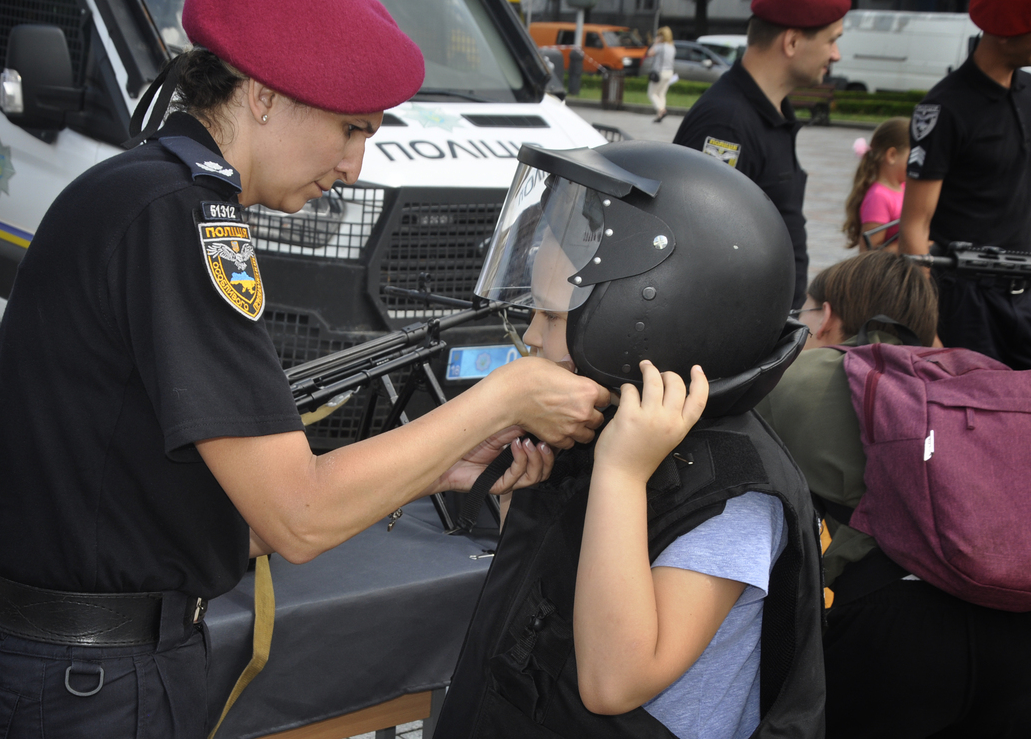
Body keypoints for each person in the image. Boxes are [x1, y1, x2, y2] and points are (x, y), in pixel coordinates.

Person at [0, 0, 609, 738]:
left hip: (51, 666)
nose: (355, 166)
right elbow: (300, 514)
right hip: (87, 684)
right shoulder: (182, 222)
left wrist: (435, 463)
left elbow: (221, 513)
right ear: (261, 95)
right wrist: (508, 394)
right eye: (350, 128)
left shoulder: (141, 190)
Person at [435, 141, 826, 739]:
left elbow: (614, 680)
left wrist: (619, 477)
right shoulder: (606, 417)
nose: (533, 336)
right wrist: (528, 508)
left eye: (555, 317)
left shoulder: (733, 498)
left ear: (661, 321)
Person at [757, 251, 1031, 737]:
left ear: (829, 318)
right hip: (1011, 618)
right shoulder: (984, 381)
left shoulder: (798, 380)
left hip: (889, 624)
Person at [673, 0, 849, 310]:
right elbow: (701, 250)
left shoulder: (767, 110)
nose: (836, 54)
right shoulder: (727, 124)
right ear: (793, 42)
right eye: (831, 40)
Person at [899, 0, 1031, 370]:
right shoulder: (946, 107)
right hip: (965, 303)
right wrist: (928, 325)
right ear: (1010, 33)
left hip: (1024, 291)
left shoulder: (1028, 94)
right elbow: (914, 227)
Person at [843, 118, 909, 251]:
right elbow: (868, 254)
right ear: (892, 155)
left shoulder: (905, 188)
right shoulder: (879, 197)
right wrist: (913, 244)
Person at [644, 26, 675, 123]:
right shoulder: (672, 46)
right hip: (669, 72)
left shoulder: (660, 46)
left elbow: (649, 53)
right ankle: (659, 116)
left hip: (660, 72)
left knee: (652, 93)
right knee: (661, 94)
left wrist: (655, 43)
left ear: (662, 36)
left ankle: (661, 110)